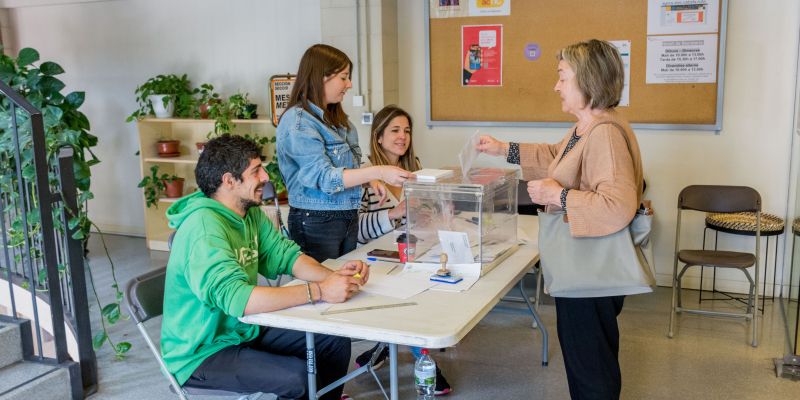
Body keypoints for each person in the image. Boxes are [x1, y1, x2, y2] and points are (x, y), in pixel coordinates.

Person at [476, 39, 644, 400]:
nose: (556, 86)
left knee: (591, 366)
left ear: (588, 81)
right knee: (589, 358)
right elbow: (556, 155)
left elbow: (617, 205)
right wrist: (503, 149)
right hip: (584, 268)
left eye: (562, 77)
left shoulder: (605, 134)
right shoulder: (588, 126)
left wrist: (558, 196)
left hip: (590, 271)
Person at [161, 135, 370, 400]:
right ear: (229, 181)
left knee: (333, 341)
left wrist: (338, 278)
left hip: (242, 329)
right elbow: (240, 300)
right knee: (297, 376)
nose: (265, 177)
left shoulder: (248, 212)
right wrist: (320, 291)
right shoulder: (204, 229)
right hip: (202, 352)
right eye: (255, 171)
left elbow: (286, 256)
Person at [277, 44, 413, 263]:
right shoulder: (298, 122)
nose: (349, 85)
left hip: (347, 218)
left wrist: (370, 181)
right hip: (316, 221)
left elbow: (346, 170)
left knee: (347, 282)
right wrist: (374, 172)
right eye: (344, 77)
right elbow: (325, 178)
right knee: (325, 288)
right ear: (322, 77)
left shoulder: (340, 122)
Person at [353, 105, 453, 396]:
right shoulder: (365, 176)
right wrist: (394, 213)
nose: (402, 137)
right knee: (413, 300)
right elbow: (357, 230)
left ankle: (379, 350)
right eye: (395, 130)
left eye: (407, 131)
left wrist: (433, 211)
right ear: (379, 136)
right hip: (374, 258)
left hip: (410, 252)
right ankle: (426, 362)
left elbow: (419, 216)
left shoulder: (414, 169)